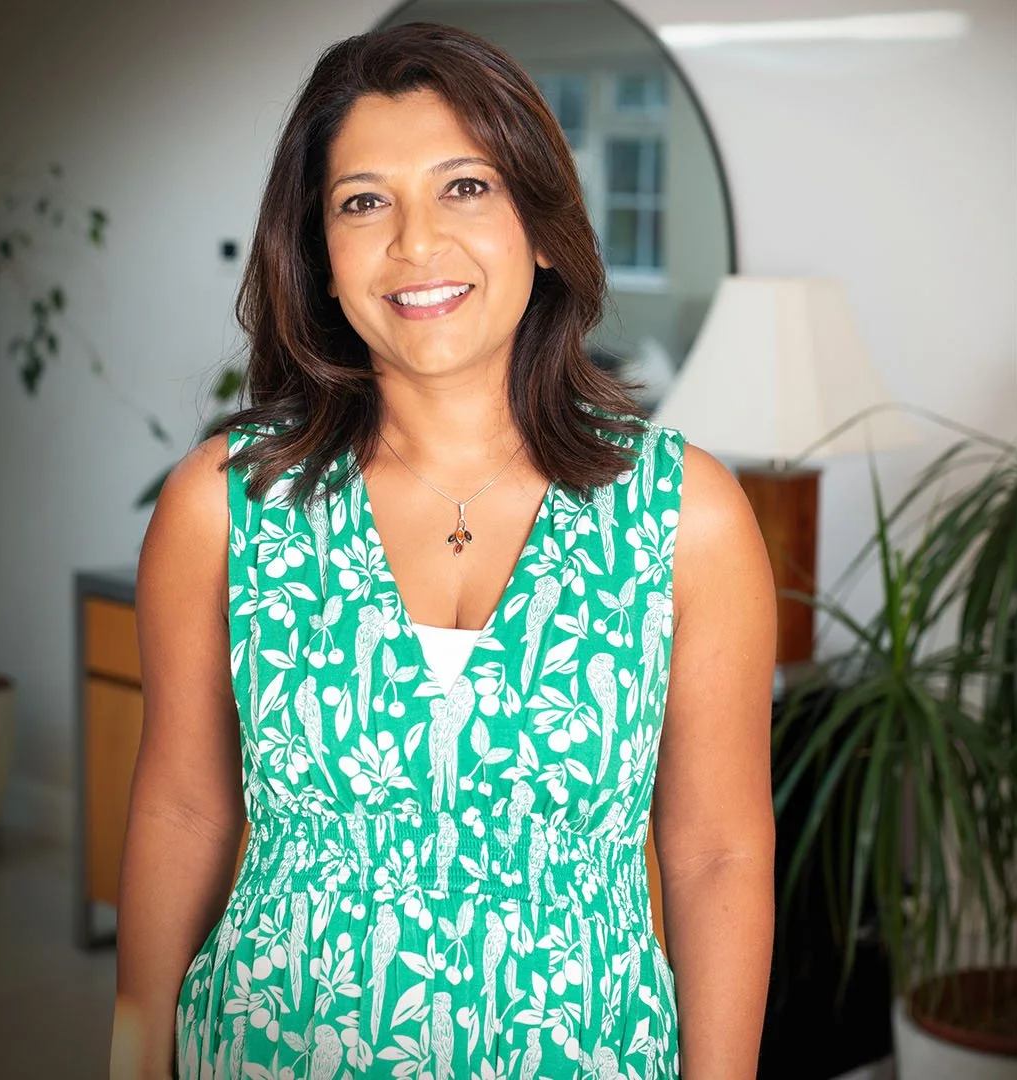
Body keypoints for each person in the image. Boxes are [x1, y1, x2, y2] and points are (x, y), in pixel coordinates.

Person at [110, 22, 775, 1080]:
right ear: (321, 258)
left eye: (466, 187)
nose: (415, 243)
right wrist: (136, 1046)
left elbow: (715, 855)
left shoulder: (685, 515)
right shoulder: (226, 503)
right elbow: (186, 805)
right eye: (363, 201)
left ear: (545, 230)